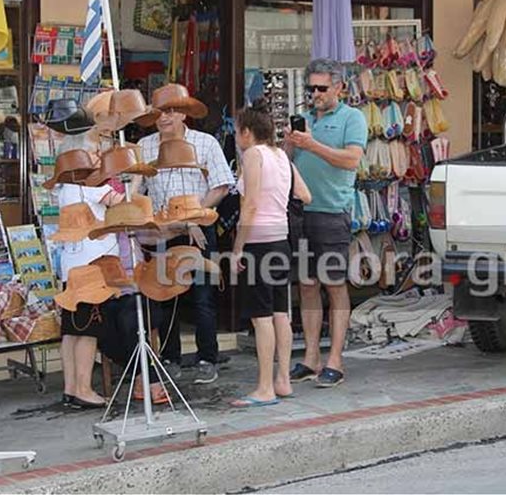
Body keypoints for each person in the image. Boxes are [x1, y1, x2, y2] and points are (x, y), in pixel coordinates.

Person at [285, 58, 367, 388]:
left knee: (334, 284)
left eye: (321, 88)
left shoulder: (353, 118)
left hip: (332, 212)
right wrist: (290, 144)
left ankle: (335, 358)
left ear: (339, 87)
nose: (315, 94)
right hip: (301, 212)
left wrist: (312, 145)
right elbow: (287, 161)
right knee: (306, 285)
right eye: (311, 88)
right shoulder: (304, 120)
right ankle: (310, 357)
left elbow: (351, 160)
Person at [137, 105, 234, 384]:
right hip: (163, 232)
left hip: (199, 230)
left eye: (169, 111)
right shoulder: (145, 146)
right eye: (158, 113)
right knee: (166, 295)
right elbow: (138, 191)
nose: (163, 118)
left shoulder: (205, 142)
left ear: (182, 113)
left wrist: (192, 218)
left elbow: (221, 186)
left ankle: (207, 357)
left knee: (203, 295)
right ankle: (170, 357)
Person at [230, 102, 311, 407]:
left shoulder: (253, 155)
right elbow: (305, 194)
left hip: (259, 244)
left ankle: (264, 388)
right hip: (281, 241)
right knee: (280, 314)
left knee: (261, 317)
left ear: (247, 132)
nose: (236, 137)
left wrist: (238, 249)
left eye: (238, 132)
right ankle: (283, 381)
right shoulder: (281, 156)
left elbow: (248, 206)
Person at [54, 131, 124, 408]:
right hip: (93, 267)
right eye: (95, 152)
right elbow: (120, 202)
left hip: (72, 268)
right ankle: (83, 388)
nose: (98, 157)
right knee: (88, 331)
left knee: (71, 330)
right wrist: (128, 175)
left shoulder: (65, 187)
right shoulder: (91, 185)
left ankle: (71, 388)